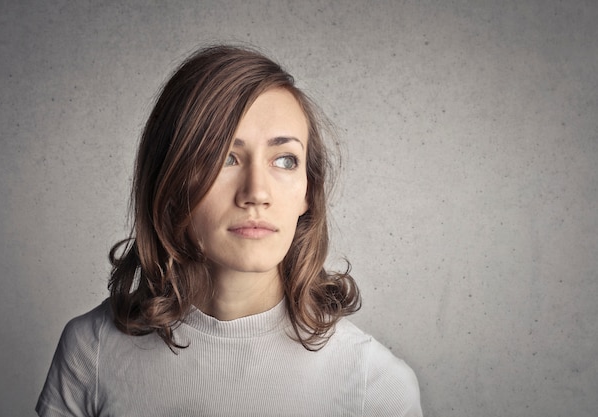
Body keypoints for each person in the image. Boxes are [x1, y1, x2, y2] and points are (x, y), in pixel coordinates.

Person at [36, 44, 422, 417]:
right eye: (225, 158)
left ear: (309, 190)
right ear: (170, 182)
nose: (256, 193)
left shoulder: (378, 388)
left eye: (285, 160)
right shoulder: (92, 352)